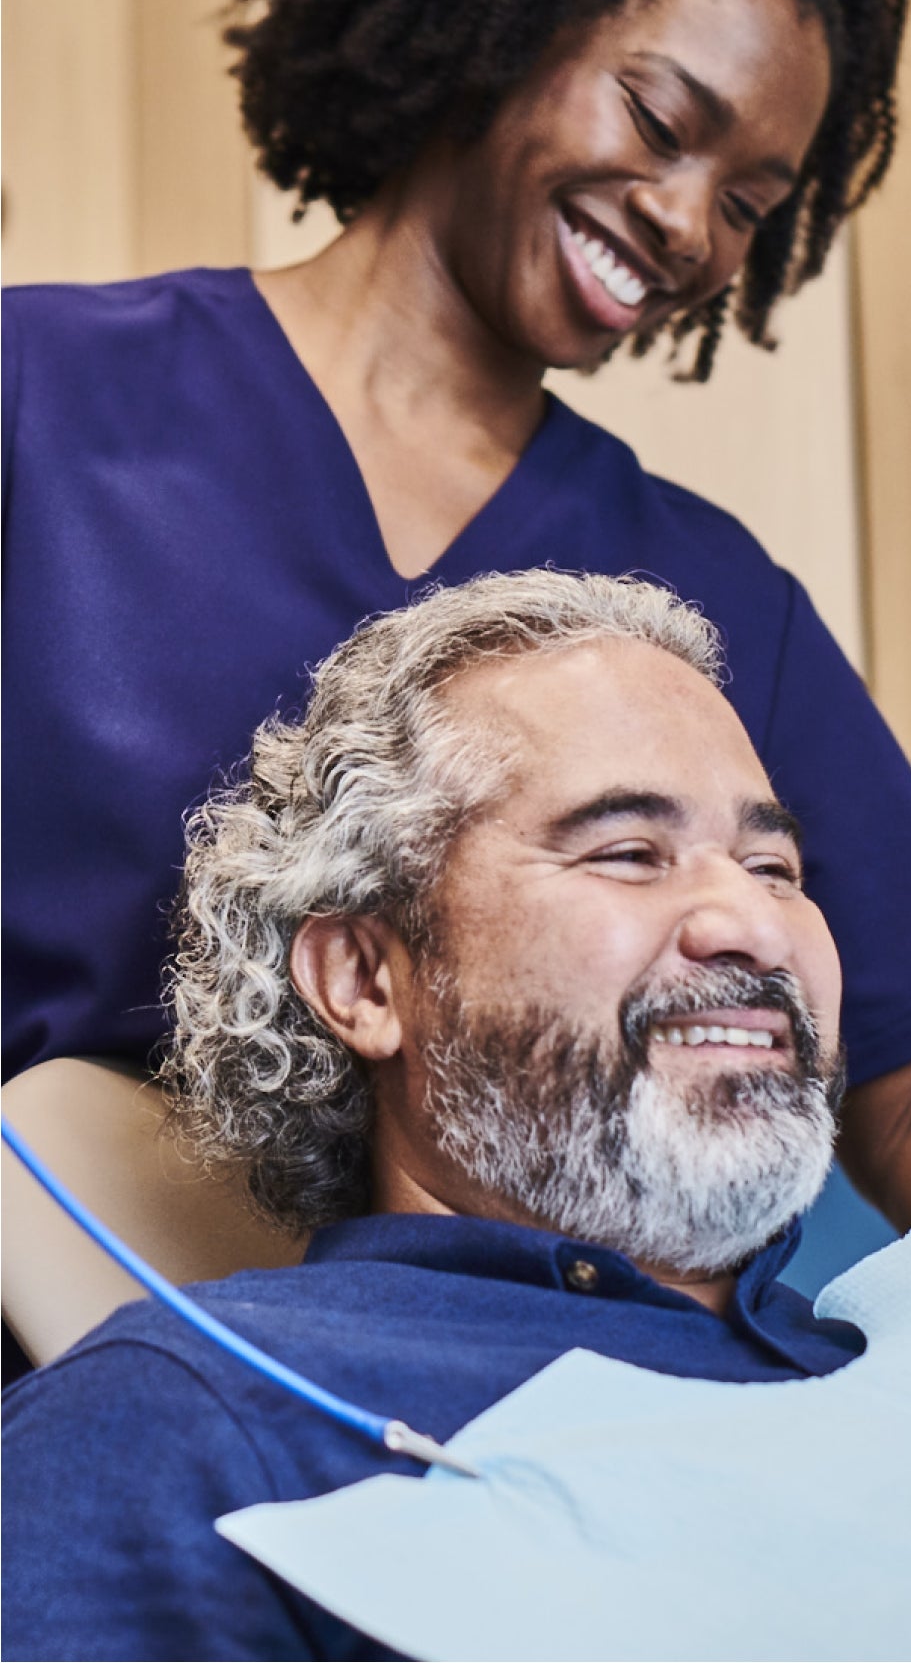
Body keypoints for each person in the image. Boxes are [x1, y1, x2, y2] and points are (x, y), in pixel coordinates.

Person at [1, 0, 911, 1253]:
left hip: (528, 1410)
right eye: (658, 118)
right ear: (502, 13)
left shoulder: (713, 603)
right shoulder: (46, 400)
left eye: (752, 203)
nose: (692, 225)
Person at [2, 569, 862, 1661]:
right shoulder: (175, 1431)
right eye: (628, 853)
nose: (751, 922)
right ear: (366, 979)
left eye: (774, 866)